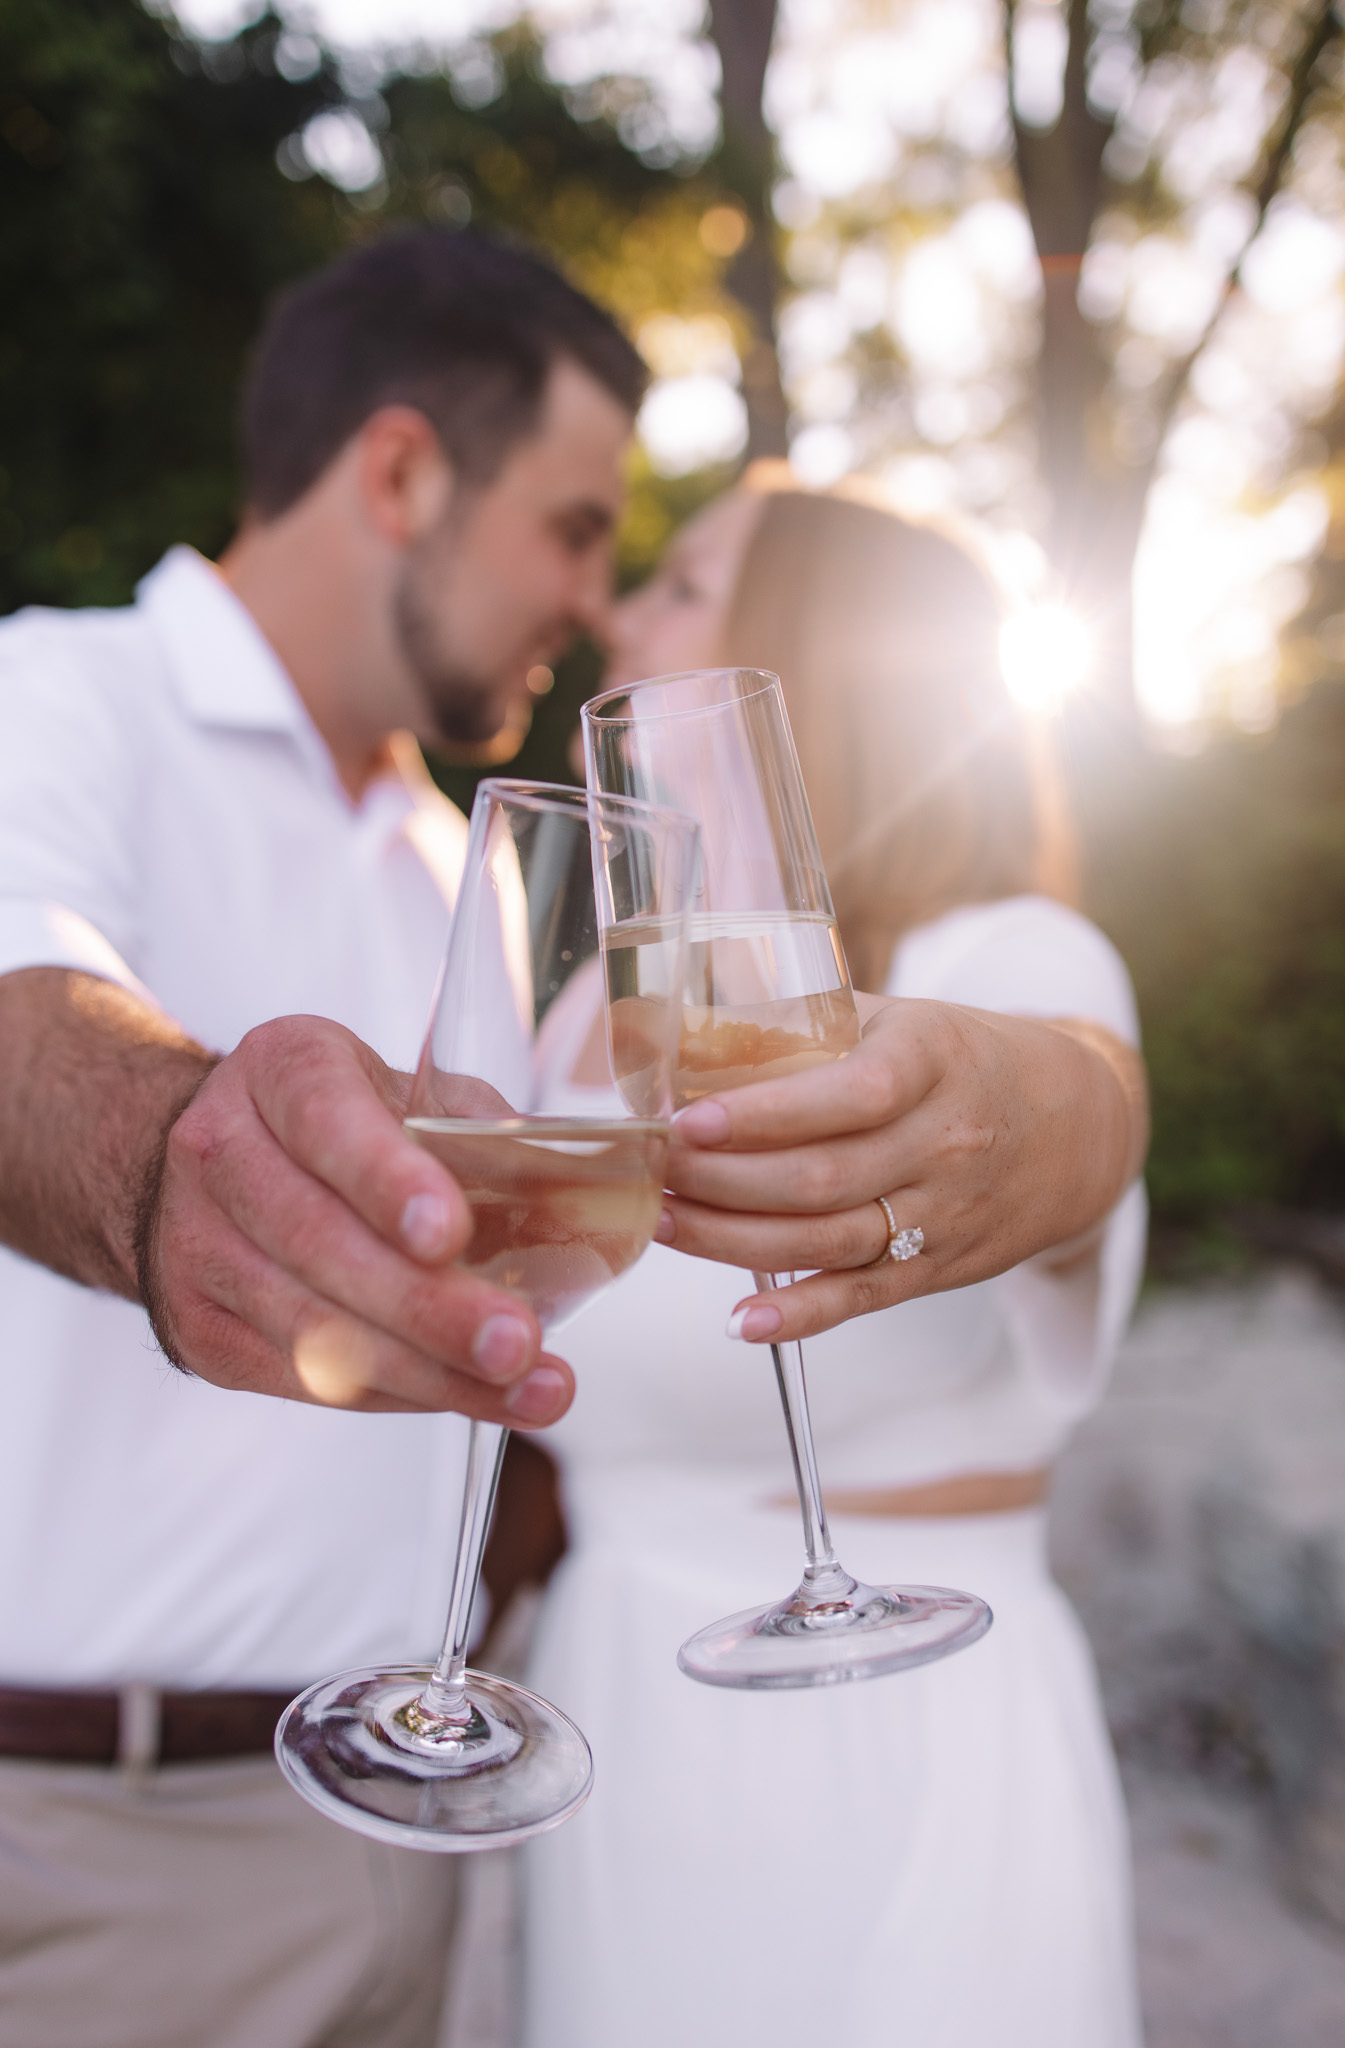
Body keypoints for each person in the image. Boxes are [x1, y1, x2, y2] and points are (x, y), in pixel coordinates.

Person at [0, 227, 646, 2048]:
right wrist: (179, 1153)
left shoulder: (469, 861)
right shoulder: (57, 693)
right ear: (398, 471)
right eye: (574, 528)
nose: (592, 598)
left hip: (405, 1835)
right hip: (103, 1861)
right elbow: (14, 1003)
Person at [518, 475, 1149, 2048]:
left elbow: (1064, 1125)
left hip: (891, 1739)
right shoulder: (584, 1016)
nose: (622, 612)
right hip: (617, 1727)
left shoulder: (999, 961)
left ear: (809, 650)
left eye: (680, 586)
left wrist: (1056, 1112)